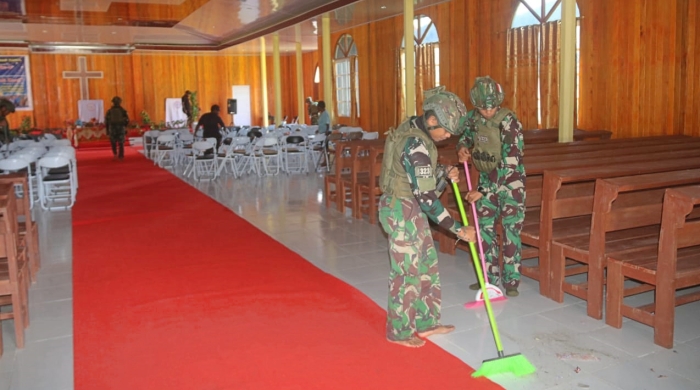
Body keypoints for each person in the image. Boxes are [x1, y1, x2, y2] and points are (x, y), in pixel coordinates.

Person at [378, 86, 476, 348]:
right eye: (444, 130)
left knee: (427, 266)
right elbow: (429, 199)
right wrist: (458, 229)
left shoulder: (418, 131)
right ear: (431, 120)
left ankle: (426, 321)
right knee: (406, 272)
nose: (447, 136)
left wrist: (444, 171)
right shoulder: (415, 144)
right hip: (401, 210)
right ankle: (399, 331)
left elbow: (422, 176)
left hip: (412, 206)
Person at [457, 76, 526, 297]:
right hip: (486, 181)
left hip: (511, 186)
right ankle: (488, 278)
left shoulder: (509, 122)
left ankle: (512, 281)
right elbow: (465, 138)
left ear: (499, 102)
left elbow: (511, 161)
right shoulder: (473, 119)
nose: (488, 112)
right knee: (483, 229)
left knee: (510, 232)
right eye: (483, 108)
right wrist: (462, 148)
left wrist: (484, 190)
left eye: (492, 107)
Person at [105, 96, 129, 160]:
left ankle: (115, 153)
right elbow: (127, 120)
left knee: (113, 141)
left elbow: (106, 121)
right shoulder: (123, 111)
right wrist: (125, 127)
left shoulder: (109, 111)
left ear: (113, 102)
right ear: (120, 102)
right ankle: (121, 155)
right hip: (121, 127)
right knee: (121, 142)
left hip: (112, 127)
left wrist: (107, 130)